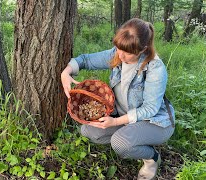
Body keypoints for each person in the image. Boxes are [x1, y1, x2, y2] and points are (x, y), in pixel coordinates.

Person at [61, 18, 175, 180]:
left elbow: (150, 109)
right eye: (118, 48)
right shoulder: (118, 53)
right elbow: (85, 60)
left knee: (120, 143)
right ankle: (133, 138)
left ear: (142, 49)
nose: (120, 55)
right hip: (126, 117)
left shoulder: (155, 68)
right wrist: (66, 72)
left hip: (155, 122)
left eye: (127, 52)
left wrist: (115, 122)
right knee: (89, 131)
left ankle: (151, 158)